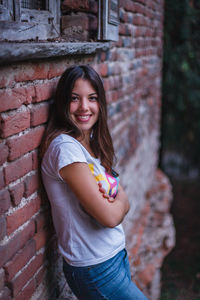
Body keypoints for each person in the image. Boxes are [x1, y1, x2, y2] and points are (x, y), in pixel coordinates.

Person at [41, 65, 148, 300]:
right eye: (74, 99)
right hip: (96, 269)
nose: (84, 107)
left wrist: (118, 200)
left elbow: (113, 194)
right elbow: (109, 216)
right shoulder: (65, 149)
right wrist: (123, 200)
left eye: (92, 98)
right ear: (62, 103)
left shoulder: (87, 142)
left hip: (113, 258)